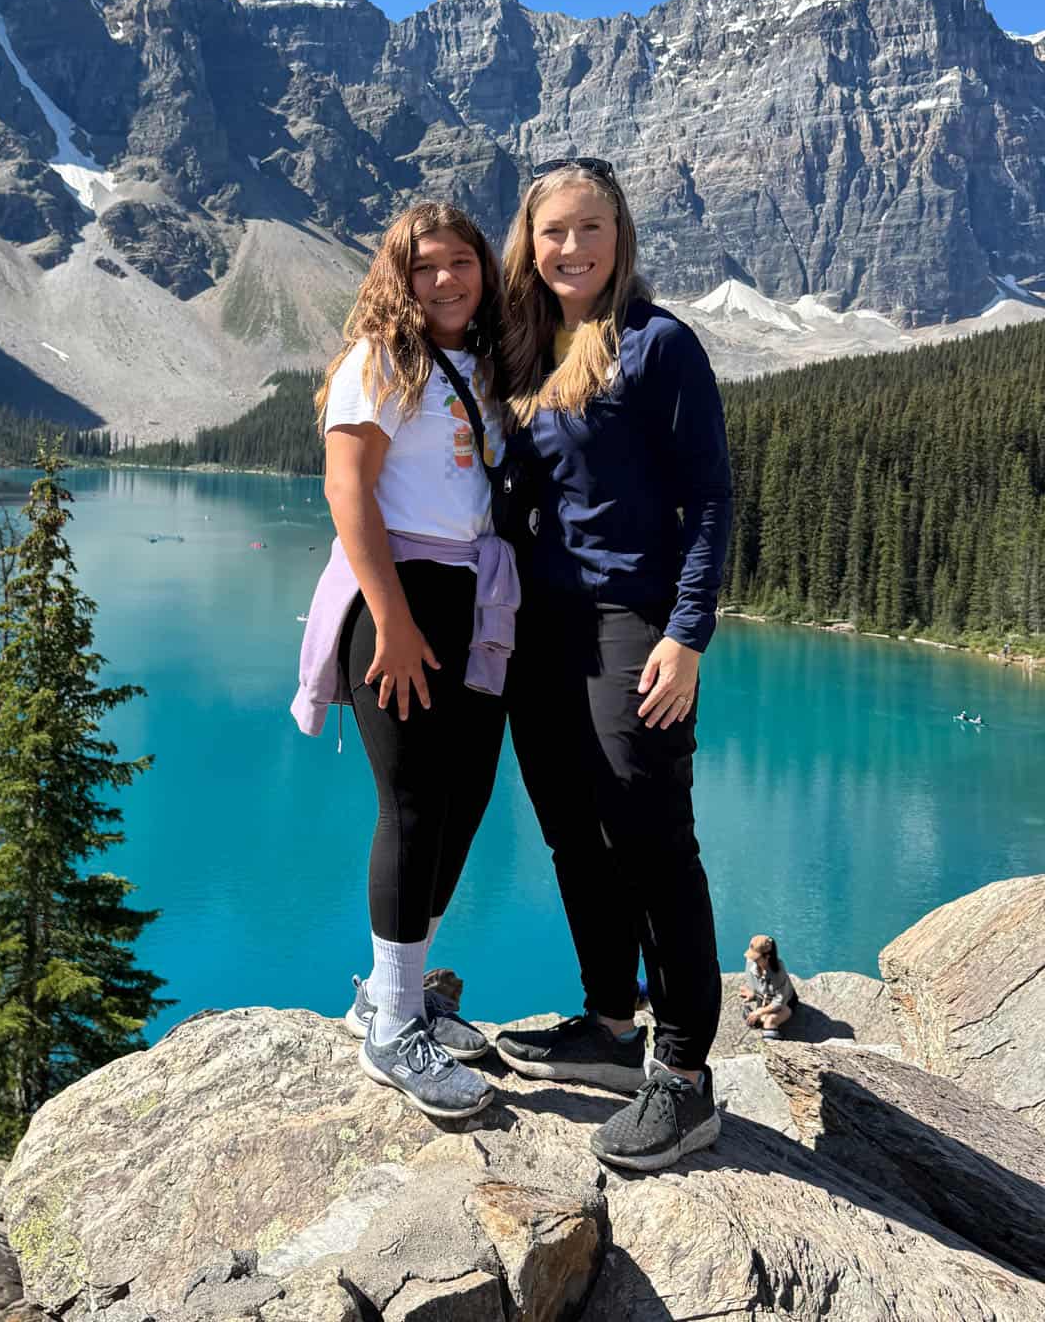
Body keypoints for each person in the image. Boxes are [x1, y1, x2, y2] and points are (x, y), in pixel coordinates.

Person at [492, 157, 733, 1173]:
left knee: (649, 839)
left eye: (591, 229)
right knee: (571, 839)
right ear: (529, 241)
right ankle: (608, 1024)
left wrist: (686, 634)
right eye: (554, 231)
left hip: (632, 620)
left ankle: (683, 1077)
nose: (573, 248)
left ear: (619, 235)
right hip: (539, 633)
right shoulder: (525, 347)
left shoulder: (659, 345)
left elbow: (711, 498)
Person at [292, 202, 518, 1121]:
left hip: (473, 599)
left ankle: (395, 992)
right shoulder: (380, 360)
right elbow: (347, 487)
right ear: (400, 276)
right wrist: (390, 620)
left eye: (462, 262)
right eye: (425, 266)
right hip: (397, 593)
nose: (446, 280)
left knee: (463, 805)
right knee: (415, 803)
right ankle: (391, 1029)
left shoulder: (491, 362)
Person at [740, 934, 798, 1039]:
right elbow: (753, 983)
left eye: (756, 958)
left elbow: (779, 1001)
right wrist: (754, 994)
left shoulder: (778, 971)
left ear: (767, 956)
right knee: (759, 1018)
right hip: (764, 999)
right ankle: (762, 1019)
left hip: (785, 1002)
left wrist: (759, 1011)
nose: (752, 961)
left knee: (769, 1021)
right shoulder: (750, 962)